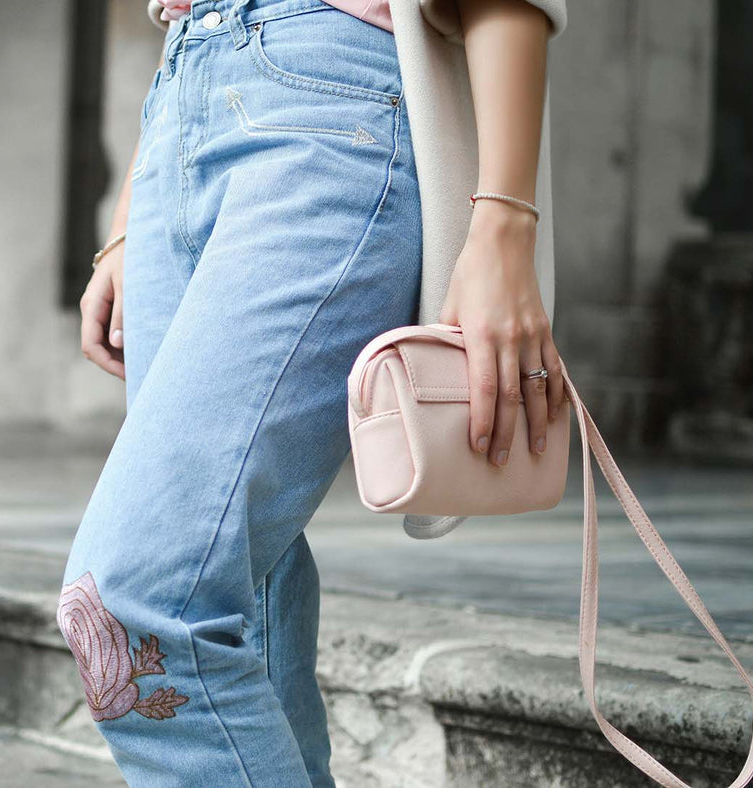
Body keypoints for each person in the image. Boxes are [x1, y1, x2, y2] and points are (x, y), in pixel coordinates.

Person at [58, 0, 568, 784]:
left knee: (135, 605)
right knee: (243, 594)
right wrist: (132, 212)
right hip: (180, 103)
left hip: (333, 103)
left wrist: (503, 223)